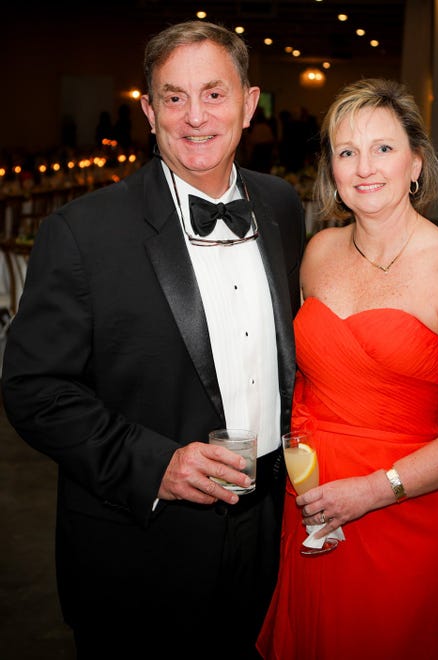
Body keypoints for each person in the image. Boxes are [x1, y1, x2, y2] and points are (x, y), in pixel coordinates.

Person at [2, 20, 305, 660]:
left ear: (250, 105)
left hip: (270, 534)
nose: (195, 117)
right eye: (173, 97)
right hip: (140, 552)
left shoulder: (281, 207)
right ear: (149, 110)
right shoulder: (83, 232)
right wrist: (155, 466)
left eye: (215, 94)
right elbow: (33, 389)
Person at [256, 78, 438, 659]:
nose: (364, 167)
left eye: (384, 148)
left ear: (416, 163)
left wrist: (375, 489)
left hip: (403, 512)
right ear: (332, 171)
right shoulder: (318, 252)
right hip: (315, 510)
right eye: (347, 152)